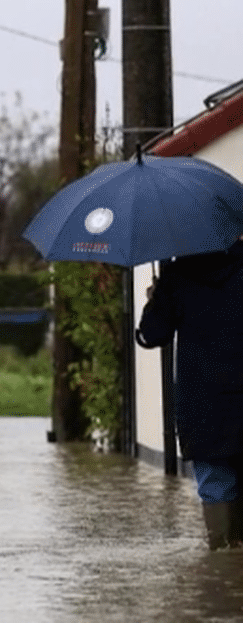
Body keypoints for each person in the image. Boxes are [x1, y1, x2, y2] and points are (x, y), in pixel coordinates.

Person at [137, 235, 243, 550]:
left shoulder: (178, 273)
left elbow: (151, 335)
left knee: (215, 485)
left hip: (203, 404)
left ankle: (221, 566)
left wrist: (156, 299)